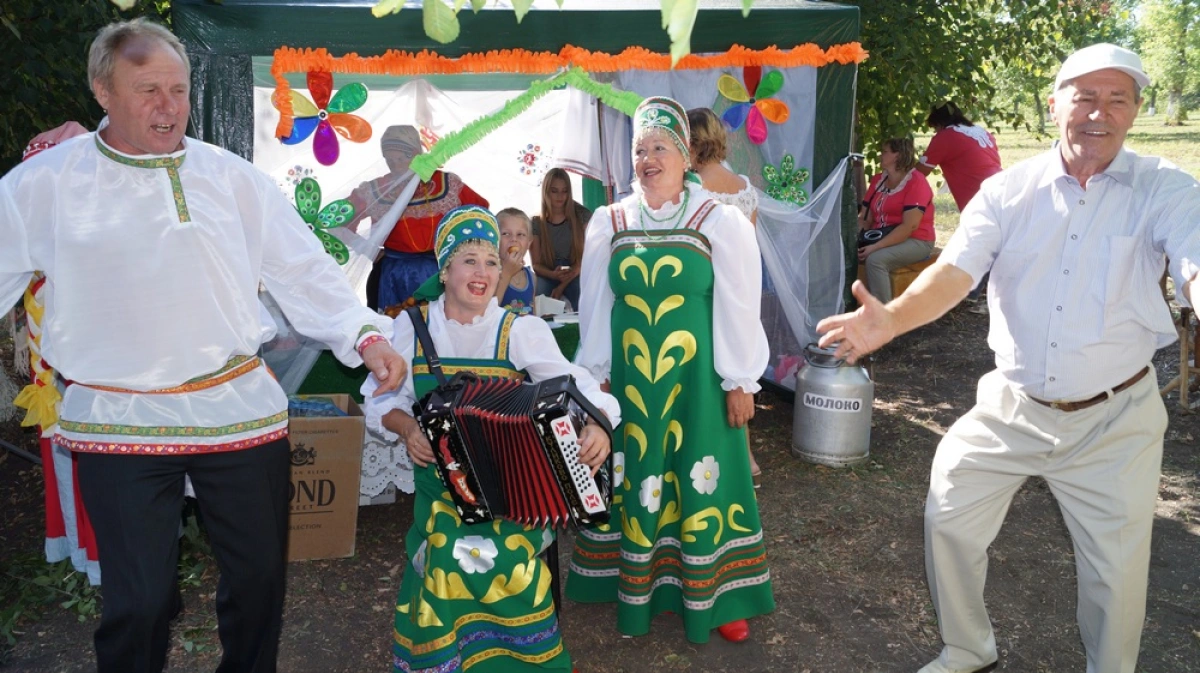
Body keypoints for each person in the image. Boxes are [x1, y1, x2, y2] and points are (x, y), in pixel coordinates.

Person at [0, 19, 408, 673]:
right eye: (148, 91)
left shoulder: (230, 177)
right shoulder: (45, 184)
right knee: (141, 601)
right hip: (121, 418)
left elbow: (301, 268)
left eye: (179, 89)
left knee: (258, 588)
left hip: (234, 408)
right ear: (102, 92)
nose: (169, 107)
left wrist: (362, 334)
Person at [817, 44, 1200, 673]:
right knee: (950, 517)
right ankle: (969, 649)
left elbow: (1191, 257)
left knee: (1117, 575)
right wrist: (892, 319)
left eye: (1117, 99)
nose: (1098, 114)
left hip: (1115, 420)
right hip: (1013, 405)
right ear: (1055, 107)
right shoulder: (1007, 192)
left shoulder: (1164, 187)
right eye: (1084, 97)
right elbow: (953, 272)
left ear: (1135, 111)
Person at [361, 205, 620, 673]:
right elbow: (378, 402)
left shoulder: (519, 330)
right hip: (439, 498)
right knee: (446, 554)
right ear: (444, 270)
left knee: (507, 559)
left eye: (491, 261)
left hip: (511, 498)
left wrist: (600, 423)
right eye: (469, 260)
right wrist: (408, 428)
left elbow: (578, 385)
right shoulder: (411, 330)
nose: (482, 273)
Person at [567, 96, 774, 644]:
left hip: (698, 384)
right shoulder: (609, 222)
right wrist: (596, 375)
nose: (648, 158)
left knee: (705, 476)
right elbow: (596, 305)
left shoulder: (718, 219)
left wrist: (739, 379)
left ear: (686, 157)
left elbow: (737, 302)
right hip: (631, 385)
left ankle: (722, 594)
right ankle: (635, 584)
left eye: (660, 147)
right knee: (637, 476)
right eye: (640, 149)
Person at [686, 106, 762, 485]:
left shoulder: (693, 191)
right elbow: (748, 252)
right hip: (740, 294)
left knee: (705, 380)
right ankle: (744, 454)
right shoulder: (744, 188)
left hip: (702, 295)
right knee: (737, 377)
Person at [347, 125, 489, 310]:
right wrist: (370, 250)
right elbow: (336, 222)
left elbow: (481, 215)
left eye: (401, 159)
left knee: (439, 330)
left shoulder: (445, 185)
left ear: (416, 155)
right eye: (389, 160)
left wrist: (462, 252)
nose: (396, 165)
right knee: (395, 327)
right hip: (393, 274)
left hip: (438, 273)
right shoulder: (377, 190)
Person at [916, 102, 1003, 310]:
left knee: (981, 244)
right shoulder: (980, 131)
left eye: (934, 127)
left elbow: (920, 173)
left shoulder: (946, 136)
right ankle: (976, 293)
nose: (935, 132)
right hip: (1001, 188)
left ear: (939, 122)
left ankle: (979, 295)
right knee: (992, 242)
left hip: (978, 196)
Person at [858, 137, 937, 304]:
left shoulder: (916, 182)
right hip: (880, 235)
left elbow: (910, 226)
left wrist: (875, 247)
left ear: (898, 155)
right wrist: (855, 238)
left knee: (876, 260)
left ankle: (882, 318)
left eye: (885, 151)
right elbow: (865, 218)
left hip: (916, 239)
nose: (881, 155)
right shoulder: (878, 180)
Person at [530, 168, 591, 309]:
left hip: (576, 271)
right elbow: (536, 265)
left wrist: (561, 286)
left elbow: (586, 259)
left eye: (565, 191)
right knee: (539, 296)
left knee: (581, 292)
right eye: (554, 191)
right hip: (548, 273)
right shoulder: (535, 222)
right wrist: (553, 275)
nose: (560, 196)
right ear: (546, 192)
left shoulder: (582, 215)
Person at [494, 206, 536, 313]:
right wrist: (507, 273)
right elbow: (489, 313)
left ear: (529, 243)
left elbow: (533, 315)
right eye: (506, 234)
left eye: (520, 234)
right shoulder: (490, 274)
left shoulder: (531, 278)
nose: (514, 239)